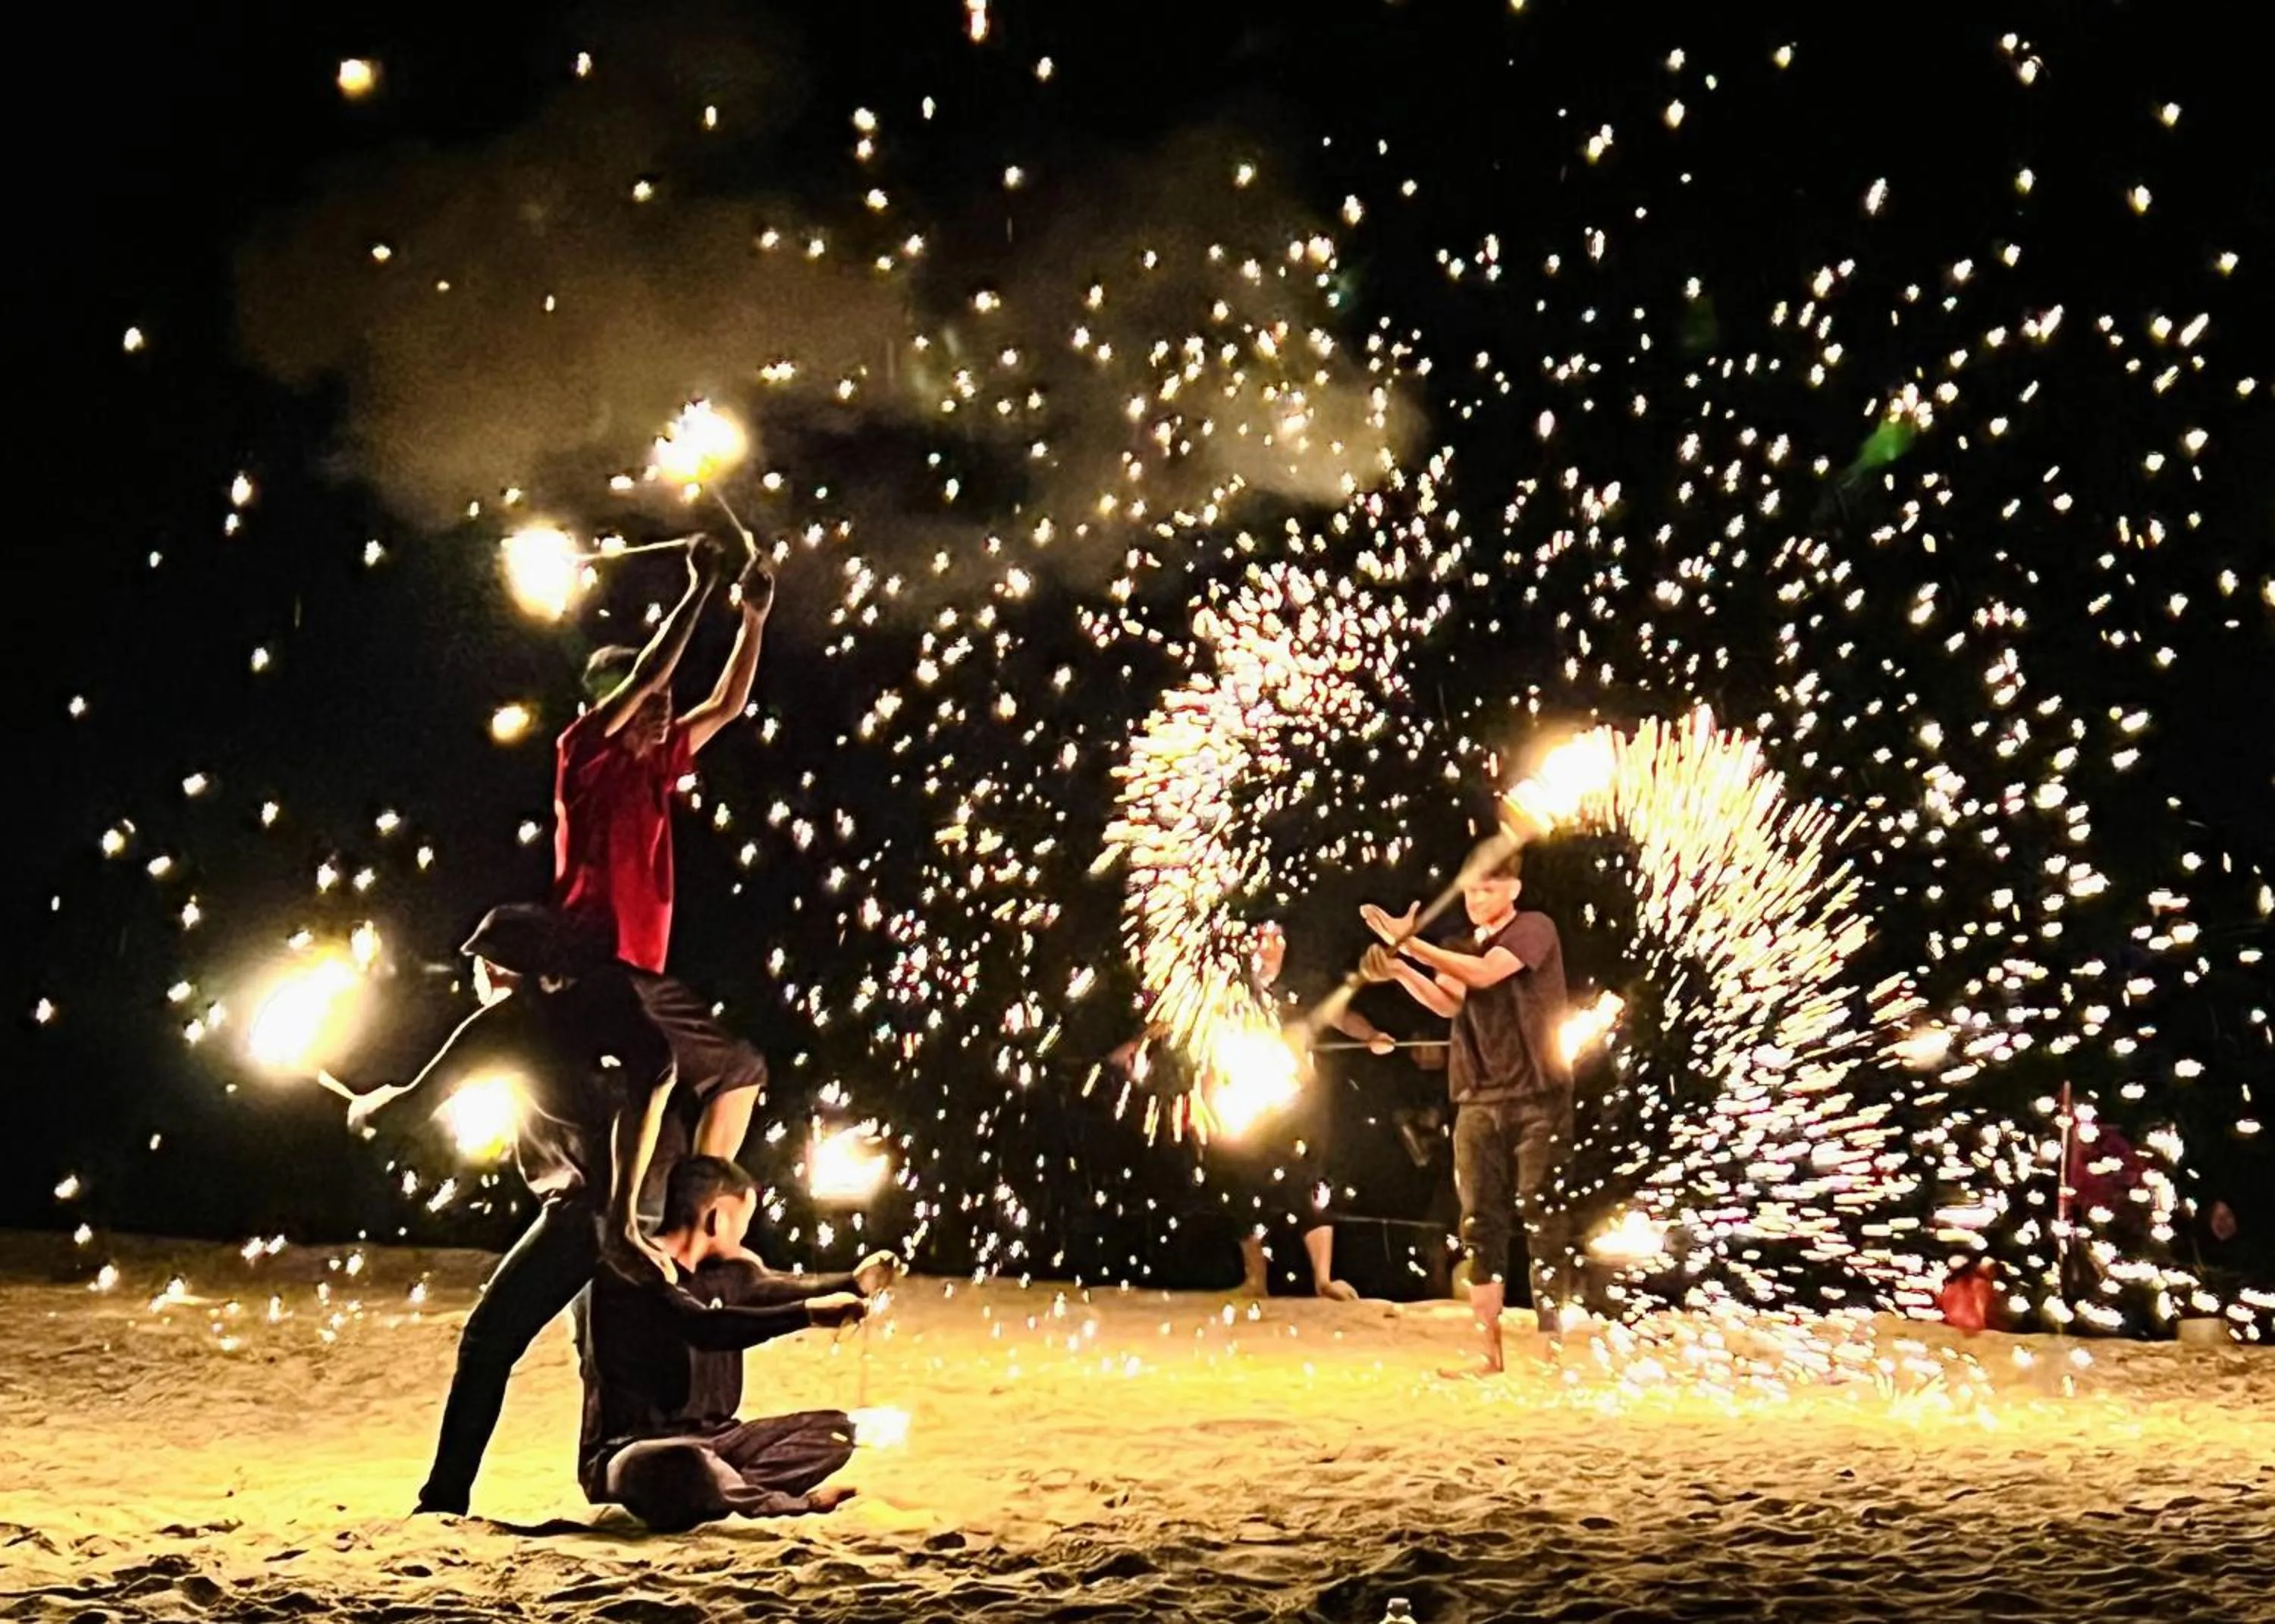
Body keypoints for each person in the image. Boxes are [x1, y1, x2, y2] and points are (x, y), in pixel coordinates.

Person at [340, 904, 762, 1516]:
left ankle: (444, 1498)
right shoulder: (606, 1001)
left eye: (480, 967)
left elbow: (406, 1111)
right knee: (614, 1352)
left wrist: (366, 1109)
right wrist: (628, 1214)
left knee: (488, 1341)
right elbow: (659, 1071)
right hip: (649, 1198)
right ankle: (659, 1474)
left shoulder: (502, 1027)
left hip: (586, 1215)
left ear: (497, 970)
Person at [554, 534, 777, 1261]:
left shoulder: (662, 762)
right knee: (643, 1136)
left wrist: (752, 619)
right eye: (646, 702)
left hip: (642, 981)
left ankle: (698, 1224)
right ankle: (659, 1237)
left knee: (736, 1071)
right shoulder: (584, 755)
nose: (661, 710)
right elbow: (653, 669)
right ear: (610, 707)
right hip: (597, 970)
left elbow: (728, 703)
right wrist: (697, 588)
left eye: (665, 704)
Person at [582, 1156, 897, 1531]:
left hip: (722, 1440)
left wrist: (855, 1283)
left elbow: (781, 1289)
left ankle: (722, 1491)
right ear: (717, 1218)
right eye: (743, 1220)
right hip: (633, 1452)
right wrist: (809, 1314)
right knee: (687, 1464)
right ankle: (778, 1503)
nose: (745, 1235)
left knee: (838, 1431)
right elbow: (705, 1327)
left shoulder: (730, 1274)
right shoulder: (629, 1274)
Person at [1361, 847, 1576, 1368]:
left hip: (1537, 1098)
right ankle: (1488, 1350)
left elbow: (1482, 974)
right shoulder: (1460, 945)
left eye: (1488, 889)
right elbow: (1448, 1001)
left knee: (1541, 1212)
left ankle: (1550, 1345)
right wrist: (1401, 969)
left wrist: (1410, 944)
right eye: (1471, 890)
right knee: (1479, 1221)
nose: (1477, 899)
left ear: (1513, 890)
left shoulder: (1534, 929)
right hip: (1478, 1097)